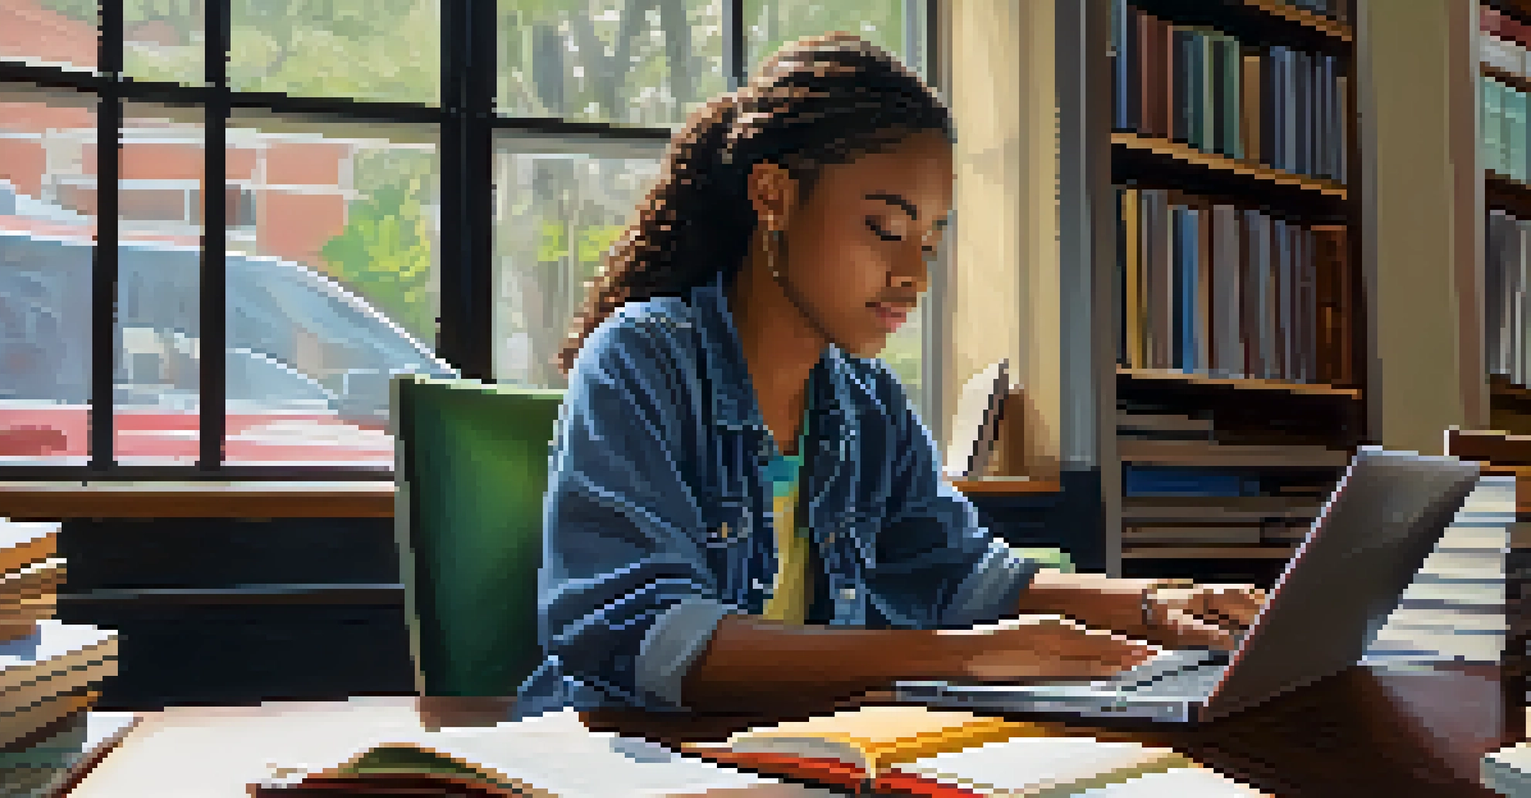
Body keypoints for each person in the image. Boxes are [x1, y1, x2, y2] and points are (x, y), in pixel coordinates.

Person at [516, 32, 1265, 719]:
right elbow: (650, 642)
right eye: (885, 229)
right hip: (630, 757)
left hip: (793, 756)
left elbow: (966, 577)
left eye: (930, 242)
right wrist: (963, 658)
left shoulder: (867, 402)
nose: (914, 275)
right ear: (772, 196)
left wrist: (1154, 604)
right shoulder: (642, 360)